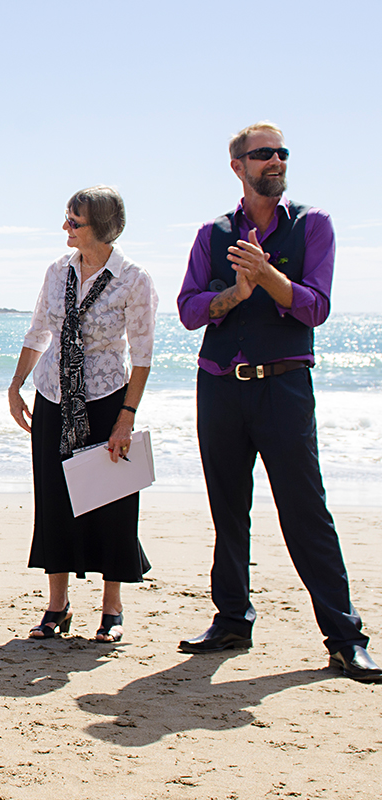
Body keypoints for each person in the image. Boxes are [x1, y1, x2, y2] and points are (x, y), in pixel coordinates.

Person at [176, 121, 381, 682]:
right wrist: (232, 294)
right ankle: (231, 620)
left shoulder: (313, 225)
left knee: (305, 511)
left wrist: (266, 277)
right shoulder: (212, 233)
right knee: (228, 508)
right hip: (219, 384)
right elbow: (190, 310)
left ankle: (345, 638)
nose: (276, 160)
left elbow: (315, 307)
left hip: (284, 387)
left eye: (281, 152)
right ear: (238, 166)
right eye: (264, 153)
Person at [8, 186, 157, 643]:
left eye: (74, 221)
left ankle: (111, 609)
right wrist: (16, 386)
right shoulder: (57, 271)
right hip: (53, 396)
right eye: (67, 219)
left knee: (111, 500)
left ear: (103, 227)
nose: (65, 227)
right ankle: (58, 606)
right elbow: (38, 332)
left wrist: (127, 416)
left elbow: (144, 353)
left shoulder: (134, 279)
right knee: (53, 500)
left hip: (106, 397)